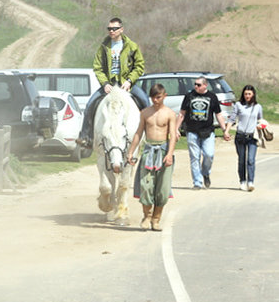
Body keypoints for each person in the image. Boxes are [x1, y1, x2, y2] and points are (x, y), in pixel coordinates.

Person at [77, 17, 148, 148]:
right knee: (90, 105)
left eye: (114, 29)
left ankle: (150, 137)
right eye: (109, 29)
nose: (111, 31)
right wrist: (104, 84)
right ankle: (86, 137)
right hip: (109, 84)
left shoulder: (132, 46)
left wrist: (129, 81)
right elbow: (97, 67)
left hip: (126, 84)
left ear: (121, 29)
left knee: (145, 102)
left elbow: (139, 66)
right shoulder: (103, 47)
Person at [127, 84, 177, 231]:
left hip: (163, 151)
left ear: (164, 96)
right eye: (153, 97)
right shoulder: (145, 113)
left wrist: (169, 154)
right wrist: (131, 152)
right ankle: (147, 216)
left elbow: (173, 135)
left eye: (158, 97)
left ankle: (156, 219)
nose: (155, 100)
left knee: (162, 188)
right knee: (146, 186)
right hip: (149, 151)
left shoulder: (169, 114)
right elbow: (138, 133)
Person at [176, 76, 230, 189]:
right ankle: (197, 182)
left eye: (198, 85)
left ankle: (205, 173)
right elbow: (182, 113)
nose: (196, 86)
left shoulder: (212, 97)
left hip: (208, 131)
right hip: (192, 130)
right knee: (194, 157)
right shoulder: (189, 96)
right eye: (195, 84)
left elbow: (218, 115)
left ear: (205, 85)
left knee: (209, 155)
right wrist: (176, 128)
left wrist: (225, 130)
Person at [223, 85, 263, 191]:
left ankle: (251, 182)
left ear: (253, 94)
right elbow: (232, 119)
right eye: (245, 94)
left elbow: (260, 120)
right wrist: (226, 131)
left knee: (251, 160)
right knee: (241, 160)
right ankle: (242, 181)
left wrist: (261, 125)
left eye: (249, 94)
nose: (247, 96)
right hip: (240, 136)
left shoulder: (258, 107)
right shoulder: (238, 105)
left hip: (252, 136)